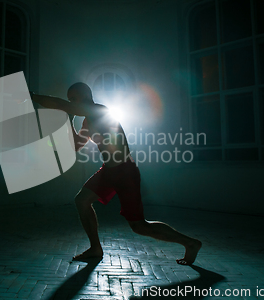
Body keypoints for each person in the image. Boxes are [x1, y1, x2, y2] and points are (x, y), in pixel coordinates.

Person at [30, 82, 201, 265]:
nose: (71, 102)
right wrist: (71, 121)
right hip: (108, 171)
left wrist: (32, 96)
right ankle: (95, 248)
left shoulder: (100, 110)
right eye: (70, 99)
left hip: (125, 171)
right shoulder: (87, 120)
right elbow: (77, 145)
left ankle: (190, 243)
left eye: (74, 98)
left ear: (86, 95)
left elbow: (62, 105)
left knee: (139, 226)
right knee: (82, 200)